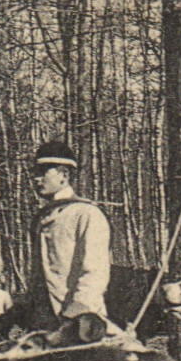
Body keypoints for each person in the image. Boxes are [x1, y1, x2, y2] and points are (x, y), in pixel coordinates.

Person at [27, 139, 112, 332]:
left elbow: (95, 274)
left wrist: (73, 316)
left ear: (64, 175)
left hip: (81, 324)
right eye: (34, 173)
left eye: (43, 173)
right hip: (43, 324)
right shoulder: (41, 219)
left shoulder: (86, 214)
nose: (36, 180)